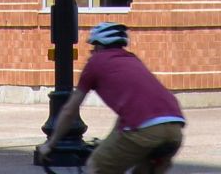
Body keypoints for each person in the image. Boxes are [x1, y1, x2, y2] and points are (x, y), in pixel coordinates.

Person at [53, 24, 183, 174]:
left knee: (96, 166)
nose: (92, 52)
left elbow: (69, 110)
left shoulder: (96, 63)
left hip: (144, 130)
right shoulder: (133, 60)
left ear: (99, 47)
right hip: (174, 129)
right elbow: (127, 114)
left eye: (93, 48)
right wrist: (108, 142)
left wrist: (51, 143)